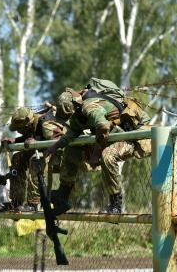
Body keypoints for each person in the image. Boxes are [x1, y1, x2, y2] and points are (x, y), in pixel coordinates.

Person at [45, 78, 151, 214]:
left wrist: (96, 152)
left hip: (135, 134)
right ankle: (63, 195)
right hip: (116, 136)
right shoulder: (78, 113)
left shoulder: (89, 106)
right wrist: (55, 147)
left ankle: (115, 204)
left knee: (108, 155)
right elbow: (71, 133)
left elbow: (103, 127)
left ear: (74, 107)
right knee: (70, 151)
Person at [1, 105, 68, 212]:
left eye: (19, 129)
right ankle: (16, 202)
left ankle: (33, 203)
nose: (18, 132)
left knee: (35, 159)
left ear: (27, 124)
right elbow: (30, 137)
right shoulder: (33, 125)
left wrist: (36, 143)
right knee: (17, 158)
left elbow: (61, 141)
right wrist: (13, 140)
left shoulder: (45, 125)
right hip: (45, 152)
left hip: (63, 154)